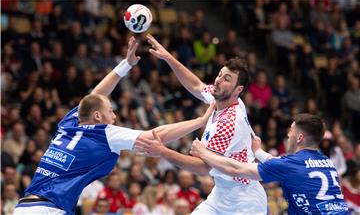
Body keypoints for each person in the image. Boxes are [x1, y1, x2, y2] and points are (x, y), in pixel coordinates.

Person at [13, 37, 213, 215]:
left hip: (24, 206)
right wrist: (199, 121)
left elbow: (94, 97)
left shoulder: (70, 123)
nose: (115, 116)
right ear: (98, 116)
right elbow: (155, 135)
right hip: (49, 209)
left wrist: (126, 64)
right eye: (111, 111)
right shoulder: (104, 133)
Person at [141, 34, 267, 214]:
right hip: (222, 193)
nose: (218, 80)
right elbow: (197, 87)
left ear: (238, 90)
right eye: (220, 75)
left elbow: (202, 167)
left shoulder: (229, 123)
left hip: (244, 201)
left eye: (227, 79)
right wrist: (169, 58)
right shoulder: (223, 100)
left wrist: (162, 151)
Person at [190, 113, 350, 214]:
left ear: (300, 138)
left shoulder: (291, 165)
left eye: (291, 131)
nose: (288, 134)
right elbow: (280, 164)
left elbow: (236, 169)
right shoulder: (326, 162)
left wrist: (204, 153)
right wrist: (258, 151)